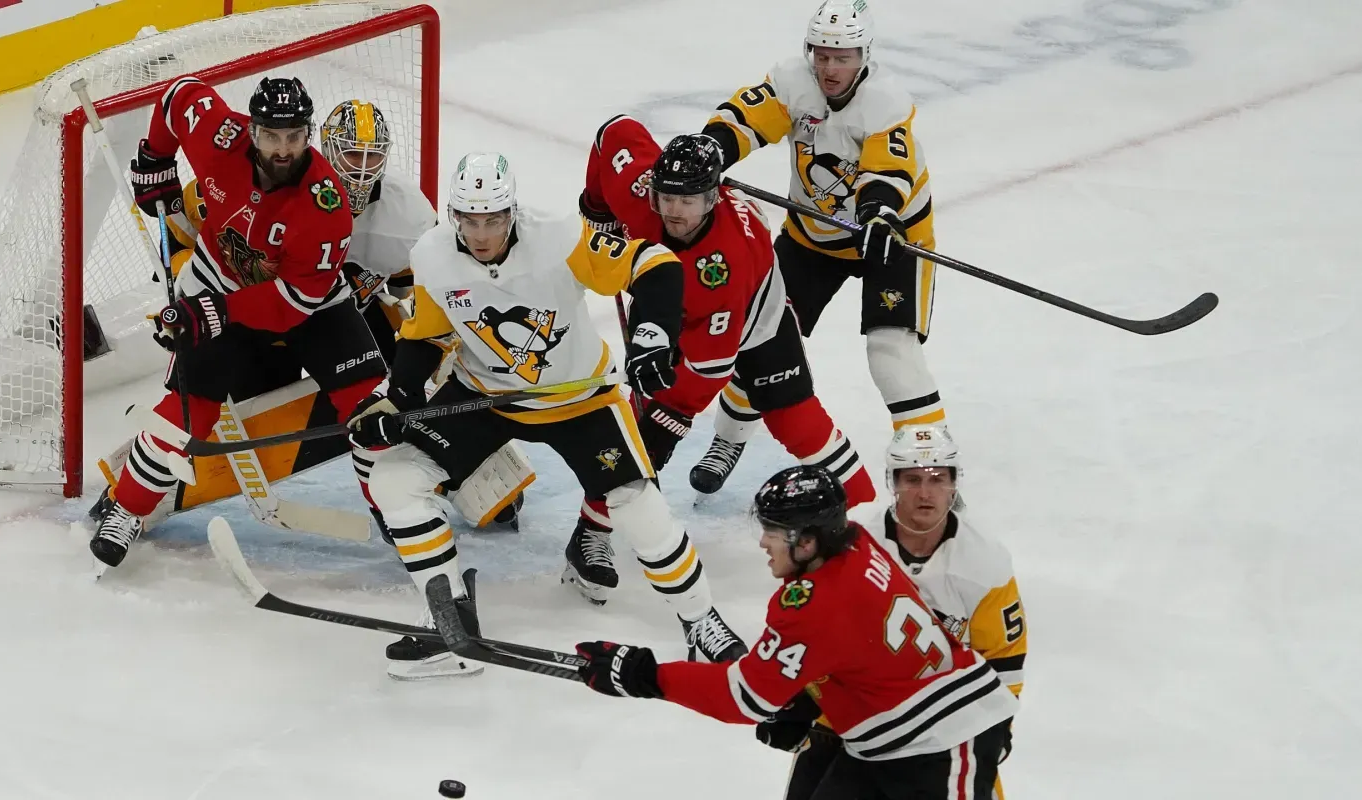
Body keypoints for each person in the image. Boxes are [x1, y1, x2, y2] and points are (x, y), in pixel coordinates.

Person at [347, 152, 748, 680]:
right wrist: (398, 397)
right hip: (484, 393)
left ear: (512, 212)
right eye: (471, 220)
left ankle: (701, 621)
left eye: (494, 219)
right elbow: (425, 333)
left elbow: (654, 264)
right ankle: (451, 625)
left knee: (636, 505)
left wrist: (653, 336)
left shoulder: (562, 238)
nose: (483, 233)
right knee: (395, 480)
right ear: (453, 215)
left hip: (579, 398)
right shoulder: (433, 256)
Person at [564, 114, 876, 605]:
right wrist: (598, 206)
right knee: (630, 436)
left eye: (688, 201)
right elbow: (614, 133)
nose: (674, 211)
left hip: (756, 321)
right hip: (669, 302)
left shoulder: (723, 265)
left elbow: (711, 367)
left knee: (794, 425)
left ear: (713, 197)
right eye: (667, 197)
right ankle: (590, 534)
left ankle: (869, 518)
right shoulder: (644, 191)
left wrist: (669, 412)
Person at [576, 465, 1017, 799]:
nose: (763, 542)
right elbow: (858, 648)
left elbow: (744, 696)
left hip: (946, 741)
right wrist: (803, 696)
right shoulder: (855, 543)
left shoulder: (816, 604)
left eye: (772, 531)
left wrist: (644, 675)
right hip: (885, 737)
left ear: (806, 542)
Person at [90, 76, 389, 568]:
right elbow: (178, 95)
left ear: (307, 133)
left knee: (369, 406)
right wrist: (155, 159)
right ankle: (127, 511)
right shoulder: (219, 136)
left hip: (310, 305)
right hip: (217, 282)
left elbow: (293, 304)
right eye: (272, 134)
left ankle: (396, 514)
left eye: (294, 135)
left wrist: (215, 313)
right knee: (190, 411)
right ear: (252, 129)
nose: (284, 148)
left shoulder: (325, 204)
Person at [689, 0, 950, 496]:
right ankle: (727, 440)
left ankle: (929, 460)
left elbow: (887, 168)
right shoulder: (794, 82)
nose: (830, 68)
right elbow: (747, 117)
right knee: (761, 340)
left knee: (891, 351)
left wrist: (877, 213)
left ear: (864, 54)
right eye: (822, 55)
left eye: (843, 56)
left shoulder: (885, 101)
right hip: (813, 238)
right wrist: (713, 149)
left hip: (891, 239)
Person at [770, 426, 1026, 800]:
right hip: (849, 720)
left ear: (955, 484)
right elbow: (813, 631)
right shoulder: (851, 545)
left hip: (946, 729)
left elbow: (1004, 658)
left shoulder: (984, 563)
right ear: (893, 482)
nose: (925, 492)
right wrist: (799, 699)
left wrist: (994, 728)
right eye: (912, 479)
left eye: (938, 479)